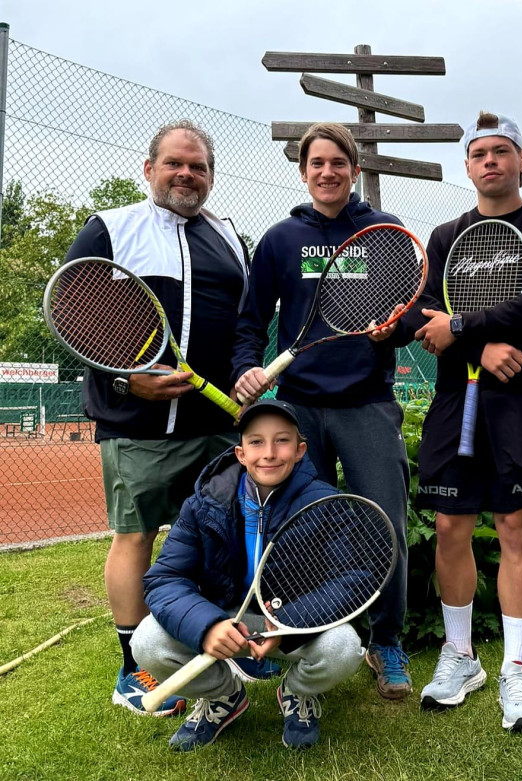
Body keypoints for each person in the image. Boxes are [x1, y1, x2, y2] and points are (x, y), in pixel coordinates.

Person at [64, 120, 277, 717]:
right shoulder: (111, 227)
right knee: (136, 536)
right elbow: (75, 316)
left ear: (211, 175)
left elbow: (243, 324)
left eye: (199, 167)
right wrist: (126, 378)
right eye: (175, 164)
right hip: (137, 425)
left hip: (214, 427)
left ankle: (228, 646)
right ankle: (134, 668)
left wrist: (244, 369)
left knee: (227, 536)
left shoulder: (229, 237)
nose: (187, 175)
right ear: (149, 167)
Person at [232, 122, 413, 700]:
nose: (328, 172)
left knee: (384, 524)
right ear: (304, 170)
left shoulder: (384, 235)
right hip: (297, 408)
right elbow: (250, 320)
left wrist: (393, 330)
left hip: (367, 405)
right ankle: (284, 637)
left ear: (354, 170)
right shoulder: (281, 238)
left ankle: (385, 642)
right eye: (317, 163)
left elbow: (409, 314)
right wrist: (244, 367)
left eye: (339, 162)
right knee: (285, 526)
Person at [411, 112, 522, 731]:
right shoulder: (447, 235)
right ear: (468, 166)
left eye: (501, 151)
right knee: (451, 525)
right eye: (478, 154)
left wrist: (470, 329)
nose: (489, 162)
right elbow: (425, 315)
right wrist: (480, 349)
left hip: (520, 398)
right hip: (458, 398)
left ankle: (515, 669)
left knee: (514, 525)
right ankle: (461, 658)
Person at [131, 399, 365, 750]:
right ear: (240, 453)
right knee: (147, 642)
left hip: (291, 624)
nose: (269, 453)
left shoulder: (327, 503)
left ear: (300, 450)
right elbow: (165, 578)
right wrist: (208, 626)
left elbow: (353, 577)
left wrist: (288, 625)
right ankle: (223, 697)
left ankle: (296, 693)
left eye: (282, 440)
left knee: (344, 646)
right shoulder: (205, 501)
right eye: (256, 442)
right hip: (226, 620)